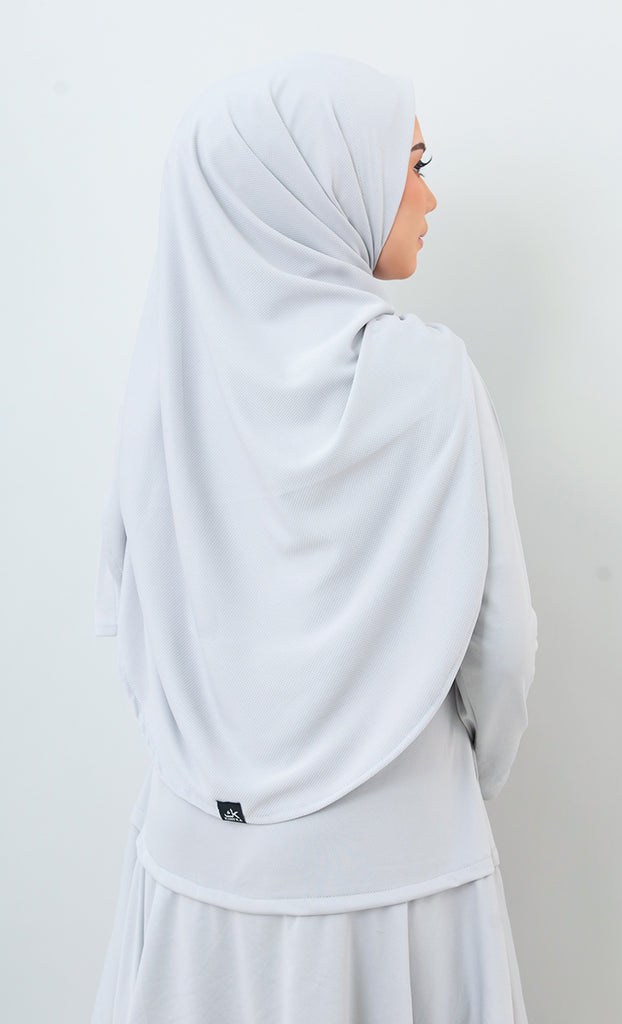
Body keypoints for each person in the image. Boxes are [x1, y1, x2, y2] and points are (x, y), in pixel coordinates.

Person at [91, 50, 538, 1023]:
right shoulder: (430, 379)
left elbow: (129, 616)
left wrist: (216, 772)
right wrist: (451, 783)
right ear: (323, 182)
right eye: (411, 165)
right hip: (404, 865)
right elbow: (503, 645)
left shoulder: (167, 386)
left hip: (199, 867)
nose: (427, 197)